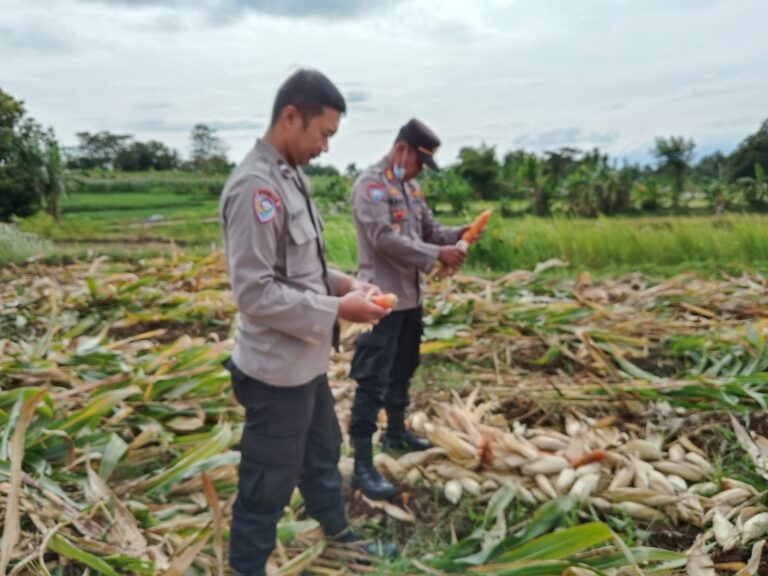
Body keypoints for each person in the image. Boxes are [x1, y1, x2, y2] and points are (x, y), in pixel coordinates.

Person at [219, 69, 395, 576]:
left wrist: (346, 285)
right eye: (324, 133)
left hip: (306, 363)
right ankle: (247, 568)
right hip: (275, 375)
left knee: (322, 454)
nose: (326, 146)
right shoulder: (255, 188)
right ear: (291, 117)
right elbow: (254, 292)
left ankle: (339, 535)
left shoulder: (291, 177)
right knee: (267, 482)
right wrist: (339, 310)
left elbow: (301, 270)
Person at [348, 119, 469, 500]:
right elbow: (383, 239)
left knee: (403, 370)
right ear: (402, 150)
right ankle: (362, 463)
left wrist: (459, 234)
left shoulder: (411, 188)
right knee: (372, 379)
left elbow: (430, 232)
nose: (420, 171)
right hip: (380, 301)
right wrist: (437, 254)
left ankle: (396, 433)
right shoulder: (371, 186)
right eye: (419, 162)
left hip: (411, 300)